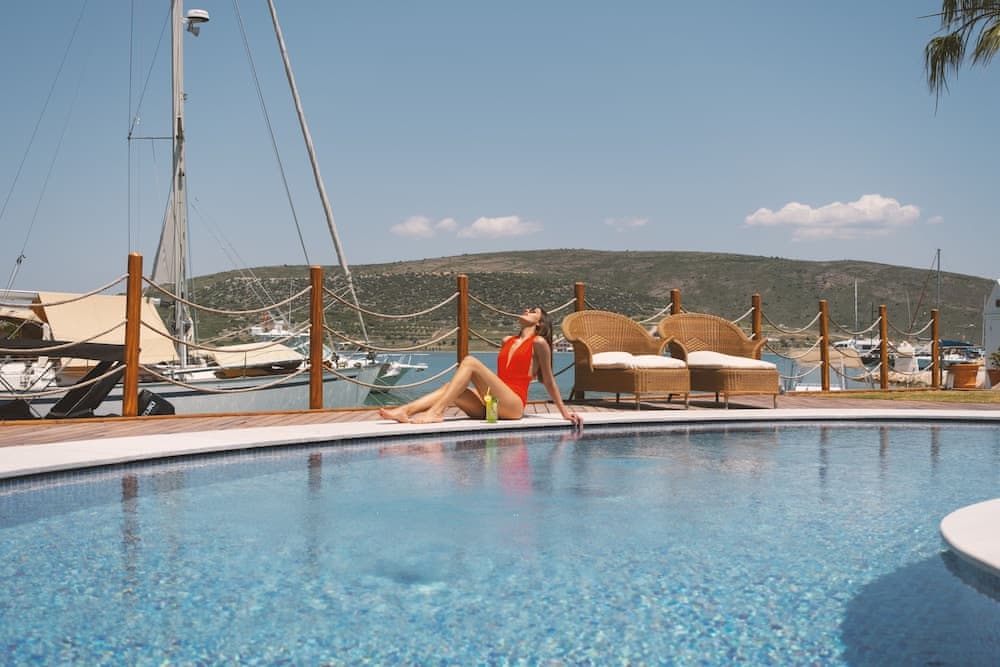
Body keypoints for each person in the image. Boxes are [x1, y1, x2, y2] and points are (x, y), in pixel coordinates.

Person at [378, 307, 582, 426]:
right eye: (527, 309)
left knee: (470, 362)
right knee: (450, 388)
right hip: (493, 405)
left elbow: (548, 380)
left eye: (533, 311)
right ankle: (404, 411)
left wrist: (564, 413)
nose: (526, 311)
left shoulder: (539, 343)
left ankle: (437, 411)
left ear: (540, 324)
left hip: (513, 405)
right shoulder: (507, 340)